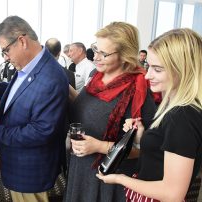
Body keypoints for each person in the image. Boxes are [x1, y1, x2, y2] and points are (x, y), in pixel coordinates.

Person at [0, 16, 68, 202]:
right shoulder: (32, 66)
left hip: (30, 171)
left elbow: (42, 131)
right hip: (18, 160)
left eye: (6, 50)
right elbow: (21, 91)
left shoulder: (50, 77)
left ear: (22, 41)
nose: (5, 57)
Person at [97, 28, 202, 202]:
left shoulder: (182, 115)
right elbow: (162, 156)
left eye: (158, 69)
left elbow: (172, 193)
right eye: (149, 67)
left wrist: (119, 178)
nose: (147, 75)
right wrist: (141, 137)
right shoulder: (175, 107)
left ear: (183, 70)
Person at [65, 22, 157, 202]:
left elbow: (147, 150)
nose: (96, 57)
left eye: (103, 53)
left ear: (124, 56)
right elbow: (86, 108)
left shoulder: (137, 90)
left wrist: (99, 146)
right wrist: (63, 87)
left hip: (110, 178)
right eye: (95, 49)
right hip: (81, 168)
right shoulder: (96, 77)